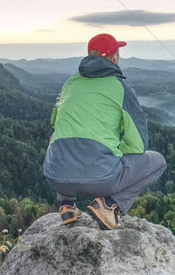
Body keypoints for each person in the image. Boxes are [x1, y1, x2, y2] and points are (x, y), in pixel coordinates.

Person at [42, 33, 167, 230]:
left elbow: (54, 122)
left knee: (56, 137)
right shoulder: (121, 88)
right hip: (101, 179)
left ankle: (67, 204)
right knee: (157, 161)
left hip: (55, 176)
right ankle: (109, 205)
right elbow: (138, 146)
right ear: (115, 57)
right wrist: (112, 148)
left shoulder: (71, 83)